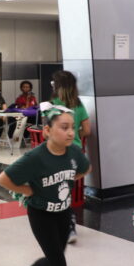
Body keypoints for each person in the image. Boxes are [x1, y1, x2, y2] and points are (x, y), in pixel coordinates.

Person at [0, 102, 91, 266]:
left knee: (54, 258)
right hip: (41, 215)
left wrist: (64, 184)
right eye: (64, 127)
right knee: (59, 263)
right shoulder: (35, 158)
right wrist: (27, 190)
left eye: (72, 127)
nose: (71, 132)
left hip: (63, 213)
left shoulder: (74, 154)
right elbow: (3, 179)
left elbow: (83, 169)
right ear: (47, 131)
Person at [51, 70, 91, 244]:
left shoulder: (53, 104)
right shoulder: (78, 103)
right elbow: (87, 130)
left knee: (56, 188)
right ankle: (68, 223)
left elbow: (49, 131)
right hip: (74, 151)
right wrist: (74, 135)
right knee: (67, 186)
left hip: (58, 151)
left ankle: (67, 224)